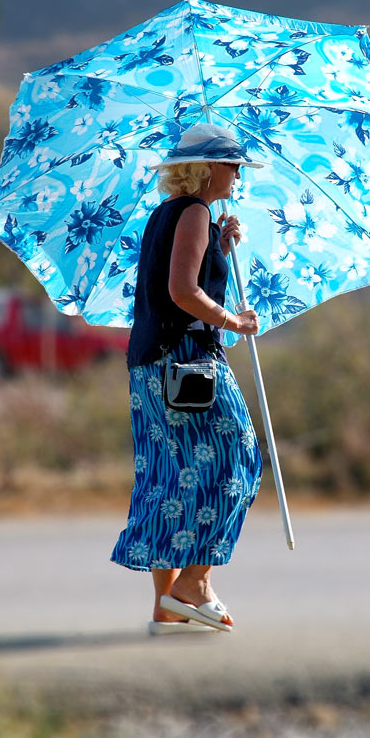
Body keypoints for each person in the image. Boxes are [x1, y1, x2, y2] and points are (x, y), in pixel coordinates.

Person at [110, 123, 264, 635]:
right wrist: (234, 321)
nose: (238, 173)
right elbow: (181, 291)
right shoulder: (193, 211)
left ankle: (167, 603)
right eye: (233, 164)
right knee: (238, 461)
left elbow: (179, 276)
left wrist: (219, 246)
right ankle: (193, 584)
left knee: (166, 473)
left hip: (149, 364)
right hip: (189, 362)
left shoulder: (169, 215)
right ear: (207, 169)